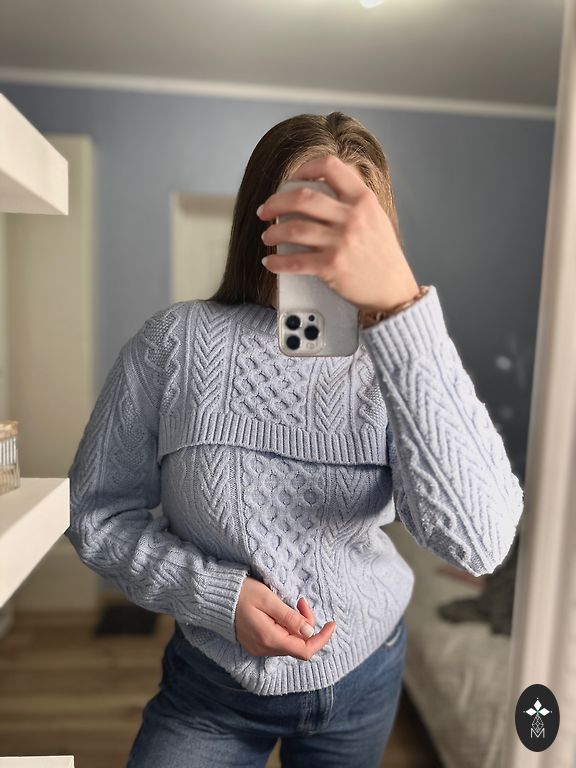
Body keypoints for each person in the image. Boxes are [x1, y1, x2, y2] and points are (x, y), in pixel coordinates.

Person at [66, 111, 525, 768]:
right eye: (301, 214)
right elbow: (97, 515)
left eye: (345, 221)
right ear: (260, 218)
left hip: (365, 673)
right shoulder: (174, 345)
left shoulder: (399, 356)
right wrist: (217, 597)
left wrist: (401, 311)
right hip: (212, 690)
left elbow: (480, 543)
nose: (321, 242)